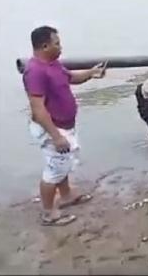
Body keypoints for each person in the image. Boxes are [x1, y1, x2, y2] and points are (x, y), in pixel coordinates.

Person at [23, 26, 106, 226]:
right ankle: (48, 212)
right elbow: (38, 109)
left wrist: (91, 73)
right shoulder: (35, 71)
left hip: (65, 125)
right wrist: (56, 136)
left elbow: (70, 78)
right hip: (53, 128)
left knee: (63, 164)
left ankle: (67, 195)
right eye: (57, 43)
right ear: (44, 46)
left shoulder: (53, 64)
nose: (61, 47)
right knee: (53, 170)